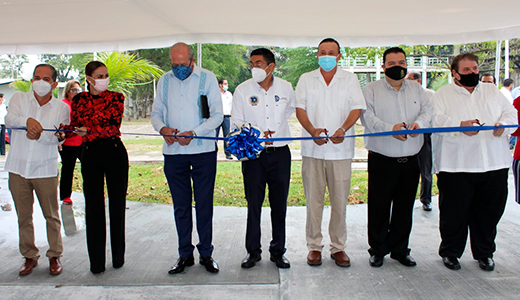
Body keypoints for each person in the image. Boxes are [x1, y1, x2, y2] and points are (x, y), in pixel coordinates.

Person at [432, 53, 517, 271]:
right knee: (454, 214)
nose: (473, 73)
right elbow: (436, 120)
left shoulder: (491, 91)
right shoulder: (443, 94)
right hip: (456, 166)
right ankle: (451, 252)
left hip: (493, 164)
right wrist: (459, 125)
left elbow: (512, 115)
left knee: (489, 214)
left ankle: (484, 253)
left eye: (475, 69)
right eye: (467, 70)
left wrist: (503, 125)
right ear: (455, 73)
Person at [151, 42, 223, 274]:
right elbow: (156, 113)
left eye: (183, 64)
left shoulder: (208, 78)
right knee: (181, 206)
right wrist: (163, 129)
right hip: (173, 154)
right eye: (174, 64)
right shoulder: (164, 81)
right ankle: (185, 255)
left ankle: (206, 253)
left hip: (203, 152)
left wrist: (193, 133)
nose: (178, 68)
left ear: (192, 61)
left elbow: (217, 116)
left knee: (204, 205)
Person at [296, 38, 366, 268]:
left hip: (341, 150)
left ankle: (339, 247)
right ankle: (314, 247)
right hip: (312, 149)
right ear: (317, 55)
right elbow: (300, 110)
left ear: (339, 56)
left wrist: (343, 129)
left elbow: (357, 107)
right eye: (322, 52)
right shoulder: (307, 79)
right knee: (313, 202)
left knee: (339, 202)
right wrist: (312, 130)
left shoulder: (350, 78)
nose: (326, 55)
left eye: (331, 52)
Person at [361, 47, 431, 268]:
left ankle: (400, 249)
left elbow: (428, 111)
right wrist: (388, 128)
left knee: (404, 207)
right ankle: (378, 249)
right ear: (383, 67)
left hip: (411, 160)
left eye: (401, 62)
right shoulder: (370, 89)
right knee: (379, 207)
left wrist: (419, 124)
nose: (397, 67)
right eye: (391, 64)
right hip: (382, 158)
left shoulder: (417, 89)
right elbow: (367, 117)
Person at [64, 61, 129, 274]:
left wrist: (87, 129)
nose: (104, 80)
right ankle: (96, 263)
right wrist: (69, 130)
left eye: (106, 75)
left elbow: (112, 125)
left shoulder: (116, 97)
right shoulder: (79, 99)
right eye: (99, 76)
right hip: (90, 154)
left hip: (114, 151)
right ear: (89, 79)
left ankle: (118, 257)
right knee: (93, 207)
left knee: (117, 205)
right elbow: (75, 125)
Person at [233, 48, 295, 269]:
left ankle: (278, 251)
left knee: (279, 204)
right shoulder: (242, 90)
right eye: (252, 63)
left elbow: (289, 111)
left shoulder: (286, 88)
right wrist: (258, 133)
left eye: (258, 63)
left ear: (271, 66)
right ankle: (253, 251)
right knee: (254, 204)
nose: (254, 68)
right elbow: (237, 123)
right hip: (254, 155)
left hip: (280, 154)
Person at [5, 64, 69, 275]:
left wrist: (40, 134)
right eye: (36, 77)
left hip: (46, 169)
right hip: (18, 168)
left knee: (51, 216)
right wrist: (28, 122)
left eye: (45, 78)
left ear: (54, 83)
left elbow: (60, 136)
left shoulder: (62, 107)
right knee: (24, 216)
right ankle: (29, 256)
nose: (40, 82)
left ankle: (55, 256)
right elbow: (9, 120)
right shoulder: (19, 99)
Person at [405, 72, 435, 211]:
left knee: (426, 168)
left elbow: (432, 114)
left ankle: (426, 199)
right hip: (406, 135)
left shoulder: (430, 95)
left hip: (425, 134)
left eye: (409, 79)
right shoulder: (404, 94)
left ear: (417, 80)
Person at [58, 80, 83, 205]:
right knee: (68, 169)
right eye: (74, 90)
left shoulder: (82, 104)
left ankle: (93, 192)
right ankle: (65, 195)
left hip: (82, 141)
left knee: (90, 167)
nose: (77, 92)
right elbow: (63, 124)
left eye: (79, 90)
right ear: (68, 92)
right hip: (68, 143)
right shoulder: (64, 105)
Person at [216, 78, 233, 159]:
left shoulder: (229, 94)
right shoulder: (215, 94)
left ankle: (228, 153)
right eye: (225, 84)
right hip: (217, 116)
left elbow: (231, 106)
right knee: (215, 135)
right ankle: (213, 153)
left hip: (226, 117)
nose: (226, 85)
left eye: (227, 84)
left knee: (227, 136)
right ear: (220, 85)